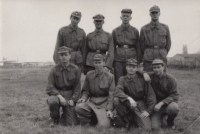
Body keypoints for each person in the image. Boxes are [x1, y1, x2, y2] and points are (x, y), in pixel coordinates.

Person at [113, 58, 156, 130]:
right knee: (116, 100)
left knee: (146, 128)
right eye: (129, 66)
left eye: (133, 67)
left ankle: (135, 119)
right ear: (126, 67)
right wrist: (129, 98)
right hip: (127, 103)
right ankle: (127, 120)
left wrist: (149, 111)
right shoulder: (122, 79)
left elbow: (150, 95)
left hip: (140, 104)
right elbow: (117, 91)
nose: (131, 69)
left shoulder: (142, 79)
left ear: (137, 68)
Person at [75, 54, 115, 127]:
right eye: (96, 63)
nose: (98, 65)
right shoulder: (89, 75)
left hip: (103, 104)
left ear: (104, 62)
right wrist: (83, 99)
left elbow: (111, 95)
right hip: (92, 102)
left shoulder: (109, 76)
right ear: (93, 63)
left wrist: (109, 109)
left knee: (104, 126)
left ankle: (99, 117)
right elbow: (85, 91)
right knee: (79, 107)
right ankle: (93, 117)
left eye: (99, 62)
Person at [46, 46, 81, 125]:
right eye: (61, 55)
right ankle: (55, 118)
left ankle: (65, 115)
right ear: (59, 57)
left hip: (69, 94)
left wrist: (73, 100)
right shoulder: (54, 69)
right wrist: (59, 96)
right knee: (52, 101)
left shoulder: (75, 69)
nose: (64, 57)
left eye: (65, 55)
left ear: (70, 56)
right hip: (57, 94)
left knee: (72, 123)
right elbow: (49, 86)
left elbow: (77, 87)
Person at [112, 9, 140, 84]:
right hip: (118, 59)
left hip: (132, 58)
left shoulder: (135, 31)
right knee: (119, 79)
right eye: (123, 16)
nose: (125, 18)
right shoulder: (115, 31)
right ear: (120, 17)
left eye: (127, 16)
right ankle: (119, 95)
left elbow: (138, 46)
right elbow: (113, 47)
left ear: (130, 18)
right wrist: (112, 61)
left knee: (131, 79)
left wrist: (138, 61)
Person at [149, 59, 179, 130]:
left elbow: (174, 95)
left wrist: (162, 103)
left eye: (158, 67)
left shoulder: (170, 79)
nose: (156, 69)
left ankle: (170, 121)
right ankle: (160, 117)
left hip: (167, 103)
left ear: (163, 67)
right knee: (155, 127)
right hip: (155, 105)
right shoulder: (151, 76)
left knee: (174, 108)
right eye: (154, 68)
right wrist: (144, 74)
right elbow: (138, 72)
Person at [140, 5, 171, 72]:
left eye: (156, 13)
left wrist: (163, 52)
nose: (154, 14)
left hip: (161, 57)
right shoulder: (144, 28)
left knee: (162, 78)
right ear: (150, 14)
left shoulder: (165, 27)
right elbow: (141, 45)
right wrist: (145, 54)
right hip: (148, 58)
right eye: (153, 13)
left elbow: (168, 43)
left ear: (159, 14)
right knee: (148, 78)